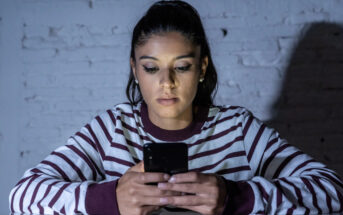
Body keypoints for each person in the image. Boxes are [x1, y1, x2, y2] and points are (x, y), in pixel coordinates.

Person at [9, 1, 343, 215]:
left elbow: (331, 191)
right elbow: (22, 196)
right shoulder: (112, 127)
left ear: (201, 68)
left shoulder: (237, 129)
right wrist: (109, 200)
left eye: (181, 67)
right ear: (135, 70)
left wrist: (235, 198)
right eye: (152, 68)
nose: (166, 82)